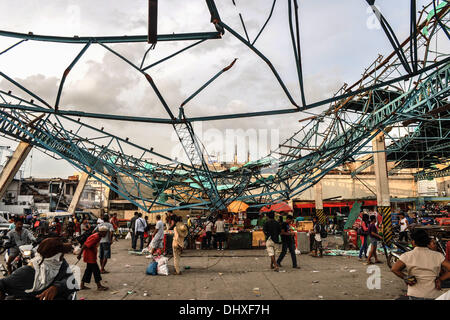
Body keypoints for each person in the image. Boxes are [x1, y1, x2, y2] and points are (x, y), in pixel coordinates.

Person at [0, 237, 76, 300]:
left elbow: (73, 281)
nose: (62, 258)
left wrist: (57, 287)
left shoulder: (61, 264)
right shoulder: (27, 272)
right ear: (54, 257)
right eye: (61, 255)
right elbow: (2, 283)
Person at [391, 229, 450, 299]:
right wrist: (440, 279)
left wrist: (406, 277)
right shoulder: (438, 255)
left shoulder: (407, 255)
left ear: (413, 242)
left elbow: (394, 269)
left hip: (414, 293)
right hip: (433, 294)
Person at [77, 226, 109, 291]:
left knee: (88, 270)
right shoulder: (96, 237)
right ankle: (99, 286)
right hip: (89, 256)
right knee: (96, 270)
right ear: (101, 232)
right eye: (105, 233)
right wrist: (79, 254)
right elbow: (85, 245)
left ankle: (82, 285)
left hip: (91, 255)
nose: (106, 234)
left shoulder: (98, 236)